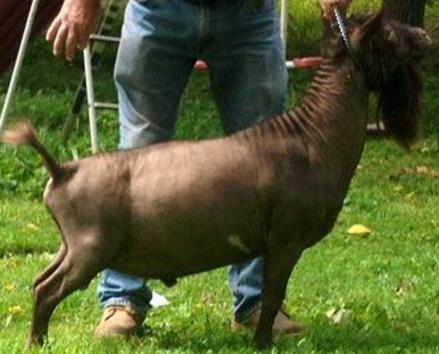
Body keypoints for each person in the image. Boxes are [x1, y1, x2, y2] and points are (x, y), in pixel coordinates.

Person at [47, 0, 351, 338]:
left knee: (270, 164)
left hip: (249, 15)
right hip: (157, 9)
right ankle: (122, 299)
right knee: (137, 150)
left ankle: (259, 304)